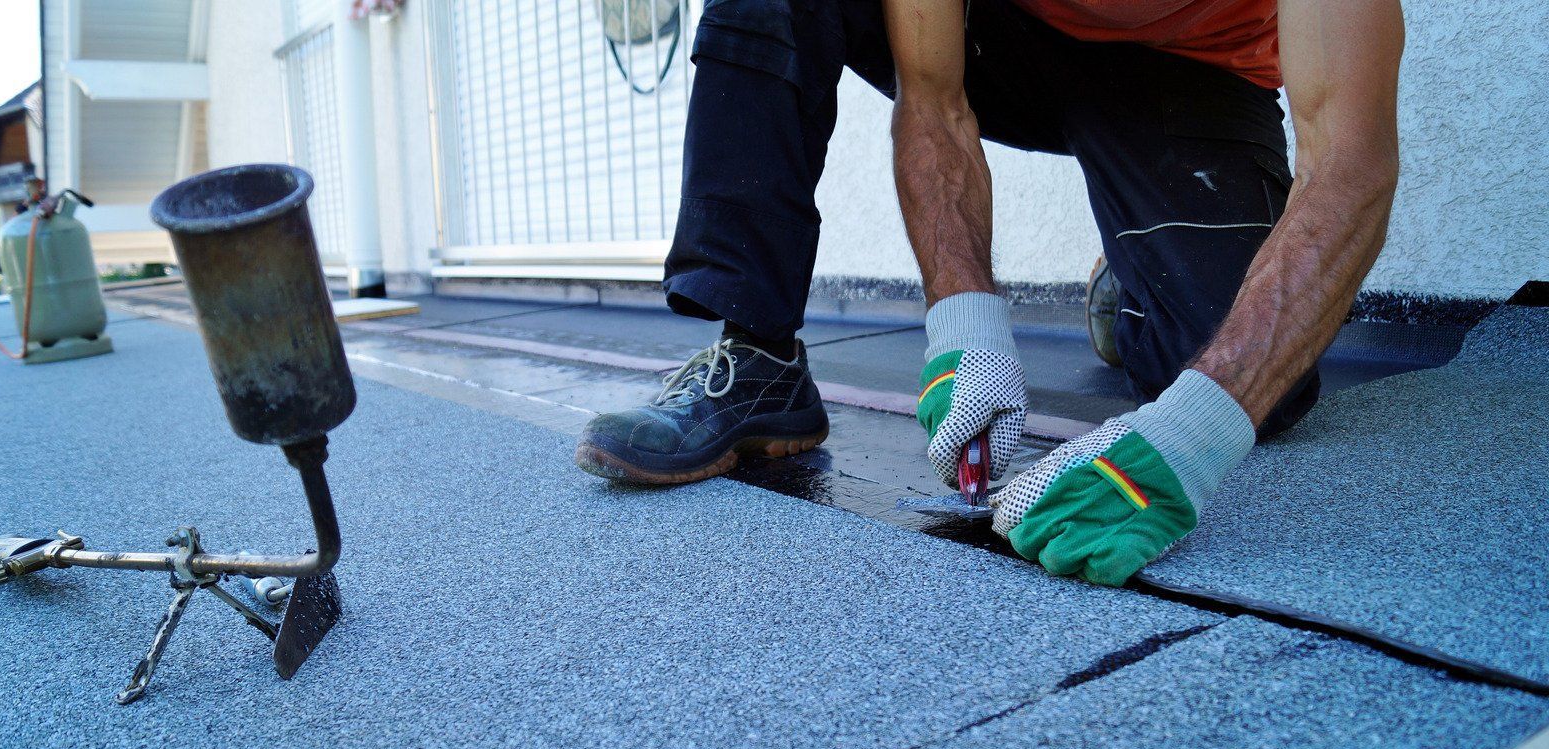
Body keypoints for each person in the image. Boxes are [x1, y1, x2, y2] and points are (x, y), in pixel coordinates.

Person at [575, 0, 1403, 585]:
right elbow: (933, 98)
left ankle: (1132, 285)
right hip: (1001, 29)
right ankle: (756, 356)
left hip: (1187, 64)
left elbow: (1350, 159)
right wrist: (962, 322)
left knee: (1262, 386)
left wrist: (1195, 433)